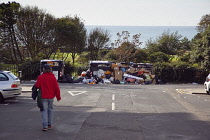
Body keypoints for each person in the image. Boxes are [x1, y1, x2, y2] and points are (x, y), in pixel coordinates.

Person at [35, 64, 61, 131]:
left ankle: (45, 126)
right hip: (51, 96)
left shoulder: (41, 77)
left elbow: (37, 85)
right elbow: (56, 88)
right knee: (50, 110)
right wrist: (58, 96)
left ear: (43, 69)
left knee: (44, 110)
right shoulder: (53, 77)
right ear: (50, 70)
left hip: (43, 96)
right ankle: (49, 124)